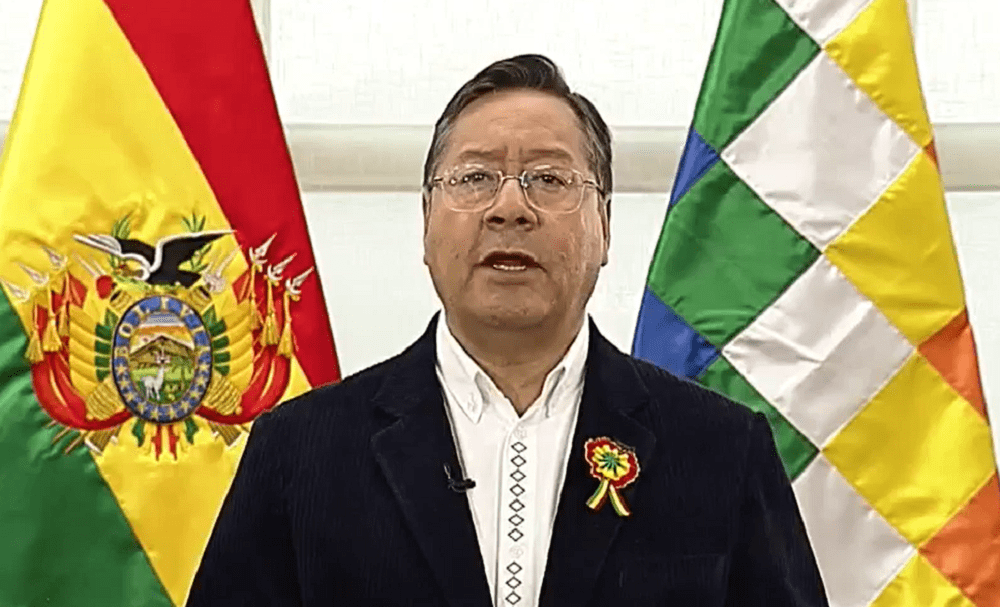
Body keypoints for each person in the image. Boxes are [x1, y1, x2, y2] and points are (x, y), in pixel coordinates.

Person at [188, 54, 829, 607]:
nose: (510, 208)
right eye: (474, 178)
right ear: (426, 221)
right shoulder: (301, 452)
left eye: (549, 179)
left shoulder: (721, 448)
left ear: (604, 226)